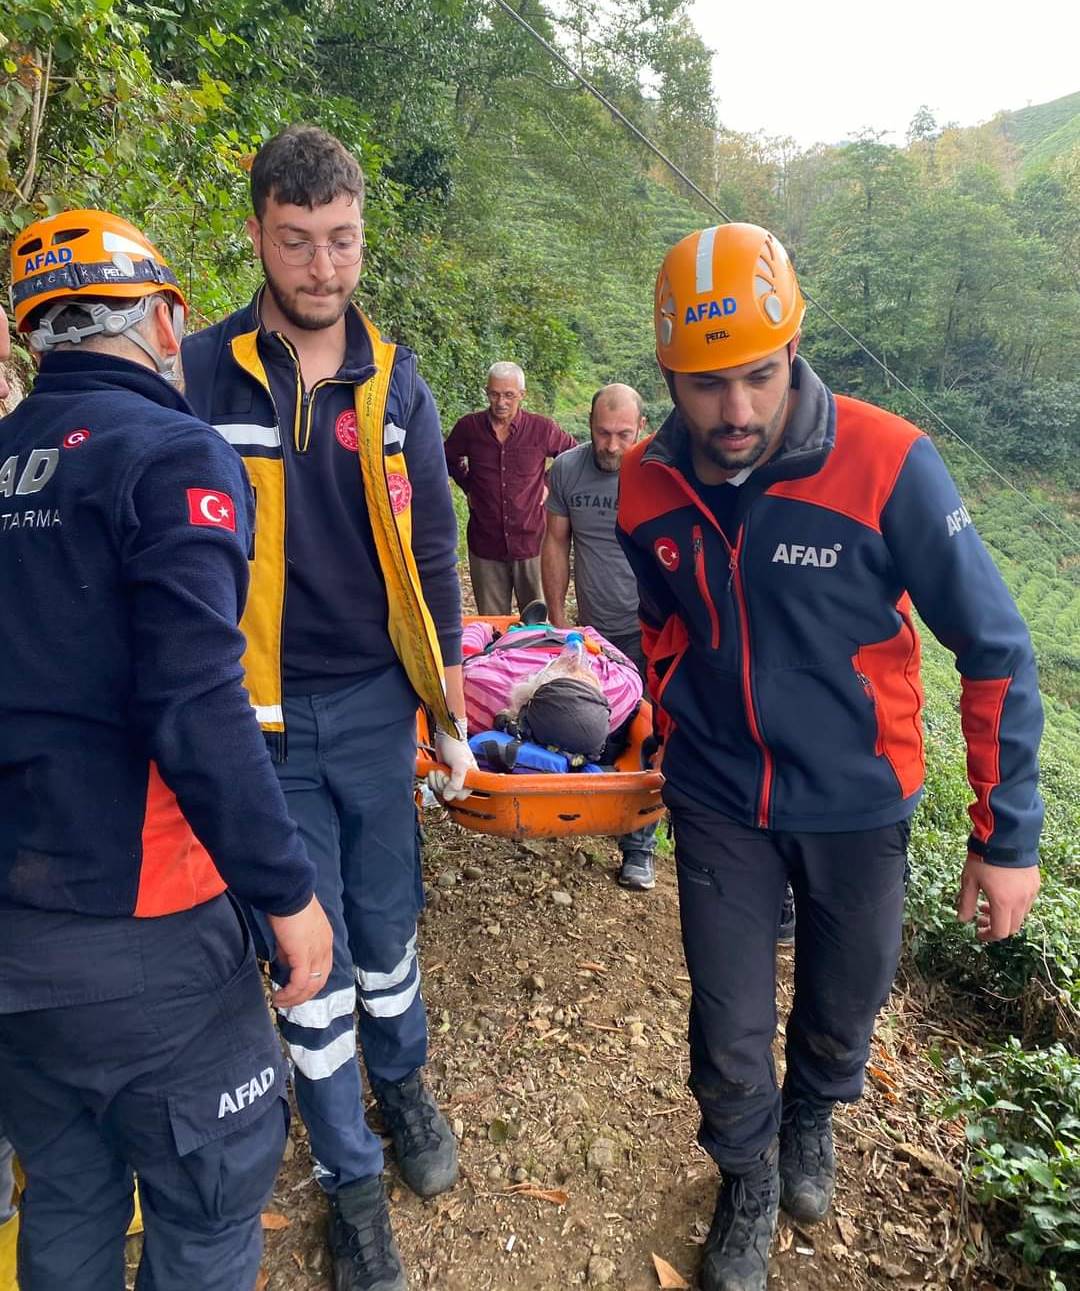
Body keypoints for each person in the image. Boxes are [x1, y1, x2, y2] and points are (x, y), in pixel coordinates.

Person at [617, 223, 1044, 1291]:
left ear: (796, 347)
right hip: (720, 794)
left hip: (858, 797)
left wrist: (1006, 836)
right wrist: (670, 715)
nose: (738, 413)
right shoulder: (647, 484)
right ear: (668, 372)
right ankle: (746, 1176)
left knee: (843, 1001)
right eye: (707, 385)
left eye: (759, 376)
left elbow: (992, 646)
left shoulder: (888, 461)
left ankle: (814, 1112)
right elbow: (659, 624)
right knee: (725, 1021)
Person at [0, 209, 333, 1291]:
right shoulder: (168, 453)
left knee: (66, 1194)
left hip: (16, 943)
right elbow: (197, 701)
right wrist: (288, 894)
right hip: (147, 936)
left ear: (29, 342)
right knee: (206, 1211)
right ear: (167, 320)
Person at [182, 125, 475, 1291]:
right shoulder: (201, 372)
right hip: (252, 717)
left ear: (364, 236)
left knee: (388, 923)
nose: (322, 268)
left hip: (372, 703)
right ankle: (350, 1177)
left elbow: (438, 548)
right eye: (298, 242)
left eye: (342, 241)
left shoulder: (397, 379)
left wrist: (446, 702)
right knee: (309, 956)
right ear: (257, 232)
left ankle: (399, 1081)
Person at [541, 383, 661, 889]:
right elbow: (555, 542)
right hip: (594, 632)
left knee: (650, 733)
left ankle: (641, 845)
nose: (612, 446)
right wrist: (555, 619)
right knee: (602, 726)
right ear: (588, 425)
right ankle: (590, 810)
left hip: (654, 632)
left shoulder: (659, 472)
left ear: (642, 429)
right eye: (603, 433)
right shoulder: (568, 469)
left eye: (623, 435)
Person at [444, 361, 575, 615]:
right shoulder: (469, 428)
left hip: (532, 542)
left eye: (509, 395)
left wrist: (548, 485)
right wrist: (468, 485)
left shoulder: (542, 429)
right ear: (487, 392)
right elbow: (447, 456)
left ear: (521, 395)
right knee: (491, 626)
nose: (501, 402)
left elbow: (572, 454)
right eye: (494, 394)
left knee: (538, 624)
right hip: (486, 543)